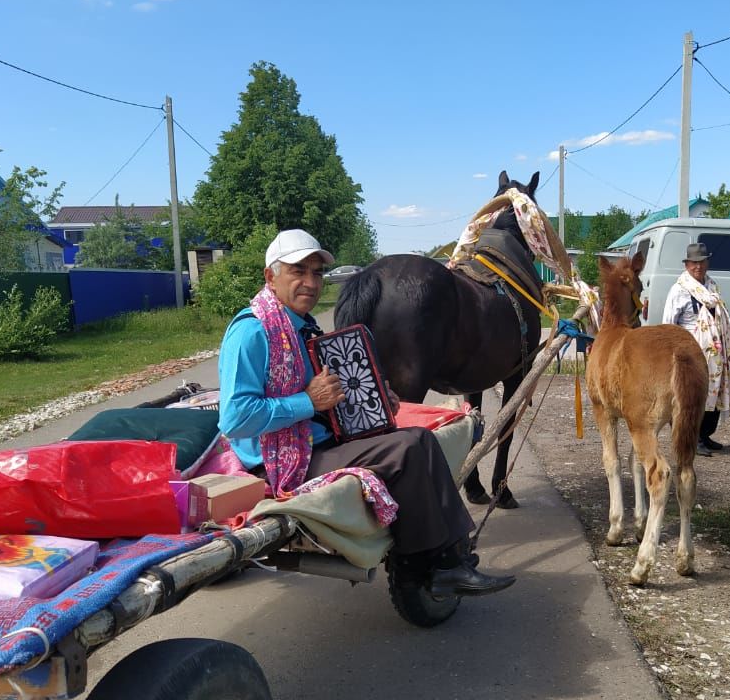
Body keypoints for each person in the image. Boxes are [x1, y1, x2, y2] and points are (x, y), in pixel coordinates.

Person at [217, 228, 515, 597]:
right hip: (279, 461)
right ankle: (432, 564)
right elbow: (234, 418)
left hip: (313, 443)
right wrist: (307, 403)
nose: (310, 283)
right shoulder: (252, 333)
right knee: (409, 448)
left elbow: (333, 393)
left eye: (317, 273)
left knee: (417, 439)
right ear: (270, 277)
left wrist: (376, 397)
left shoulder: (303, 329)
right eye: (298, 271)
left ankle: (449, 559)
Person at [661, 242, 730, 456]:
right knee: (695, 396)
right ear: (687, 265)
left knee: (714, 392)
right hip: (690, 351)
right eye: (694, 263)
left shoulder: (712, 287)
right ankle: (692, 438)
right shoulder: (679, 290)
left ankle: (705, 434)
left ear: (707, 263)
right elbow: (669, 324)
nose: (698, 267)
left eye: (702, 262)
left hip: (714, 351)